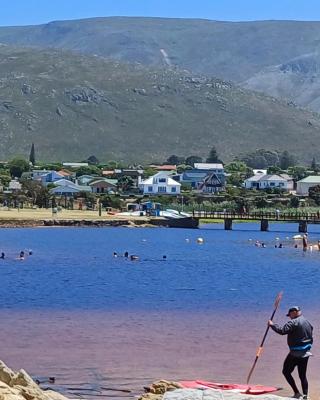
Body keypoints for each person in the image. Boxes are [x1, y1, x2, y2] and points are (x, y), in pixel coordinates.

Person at [268, 306, 313, 399]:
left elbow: (282, 331)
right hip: (306, 352)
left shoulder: (293, 322)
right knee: (302, 375)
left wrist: (272, 325)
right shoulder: (307, 322)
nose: (290, 317)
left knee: (286, 372)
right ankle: (305, 396)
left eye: (290, 315)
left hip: (295, 353)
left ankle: (297, 393)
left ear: (294, 312)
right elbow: (311, 330)